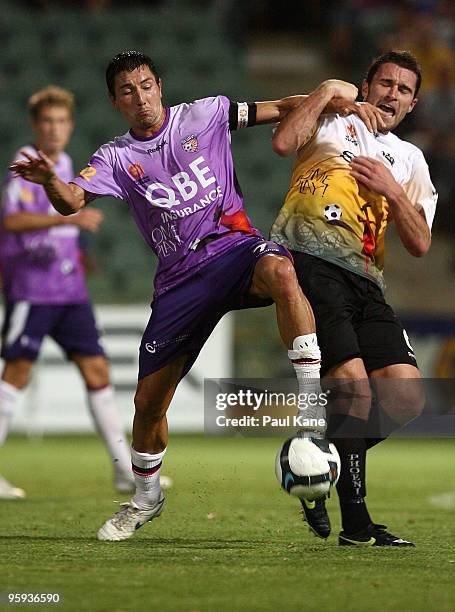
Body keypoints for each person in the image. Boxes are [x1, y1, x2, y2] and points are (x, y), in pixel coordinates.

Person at [9, 51, 359, 541]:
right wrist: (49, 179)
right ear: (115, 101)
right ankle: (146, 499)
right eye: (128, 91)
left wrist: (331, 102)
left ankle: (307, 410)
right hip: (180, 282)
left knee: (282, 268)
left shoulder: (207, 113)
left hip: (233, 249)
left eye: (147, 85)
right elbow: (70, 201)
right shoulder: (115, 157)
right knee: (148, 407)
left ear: (159, 86)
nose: (141, 97)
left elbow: (282, 107)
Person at [270, 50, 438, 546]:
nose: (392, 94)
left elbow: (420, 243)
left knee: (405, 397)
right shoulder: (328, 120)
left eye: (404, 90)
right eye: (385, 83)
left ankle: (315, 464)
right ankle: (358, 525)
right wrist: (325, 92)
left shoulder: (411, 160)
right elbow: (282, 142)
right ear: (366, 86)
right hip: (311, 264)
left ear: (411, 105)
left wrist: (393, 190)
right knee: (354, 394)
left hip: (368, 280)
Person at [0, 85, 135, 498]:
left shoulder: (68, 165)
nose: (55, 129)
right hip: (32, 291)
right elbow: (13, 222)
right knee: (16, 375)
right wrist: (69, 224)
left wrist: (80, 252)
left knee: (97, 373)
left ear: (70, 126)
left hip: (70, 291)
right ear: (35, 126)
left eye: (61, 121)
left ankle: (124, 471)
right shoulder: (23, 165)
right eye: (48, 121)